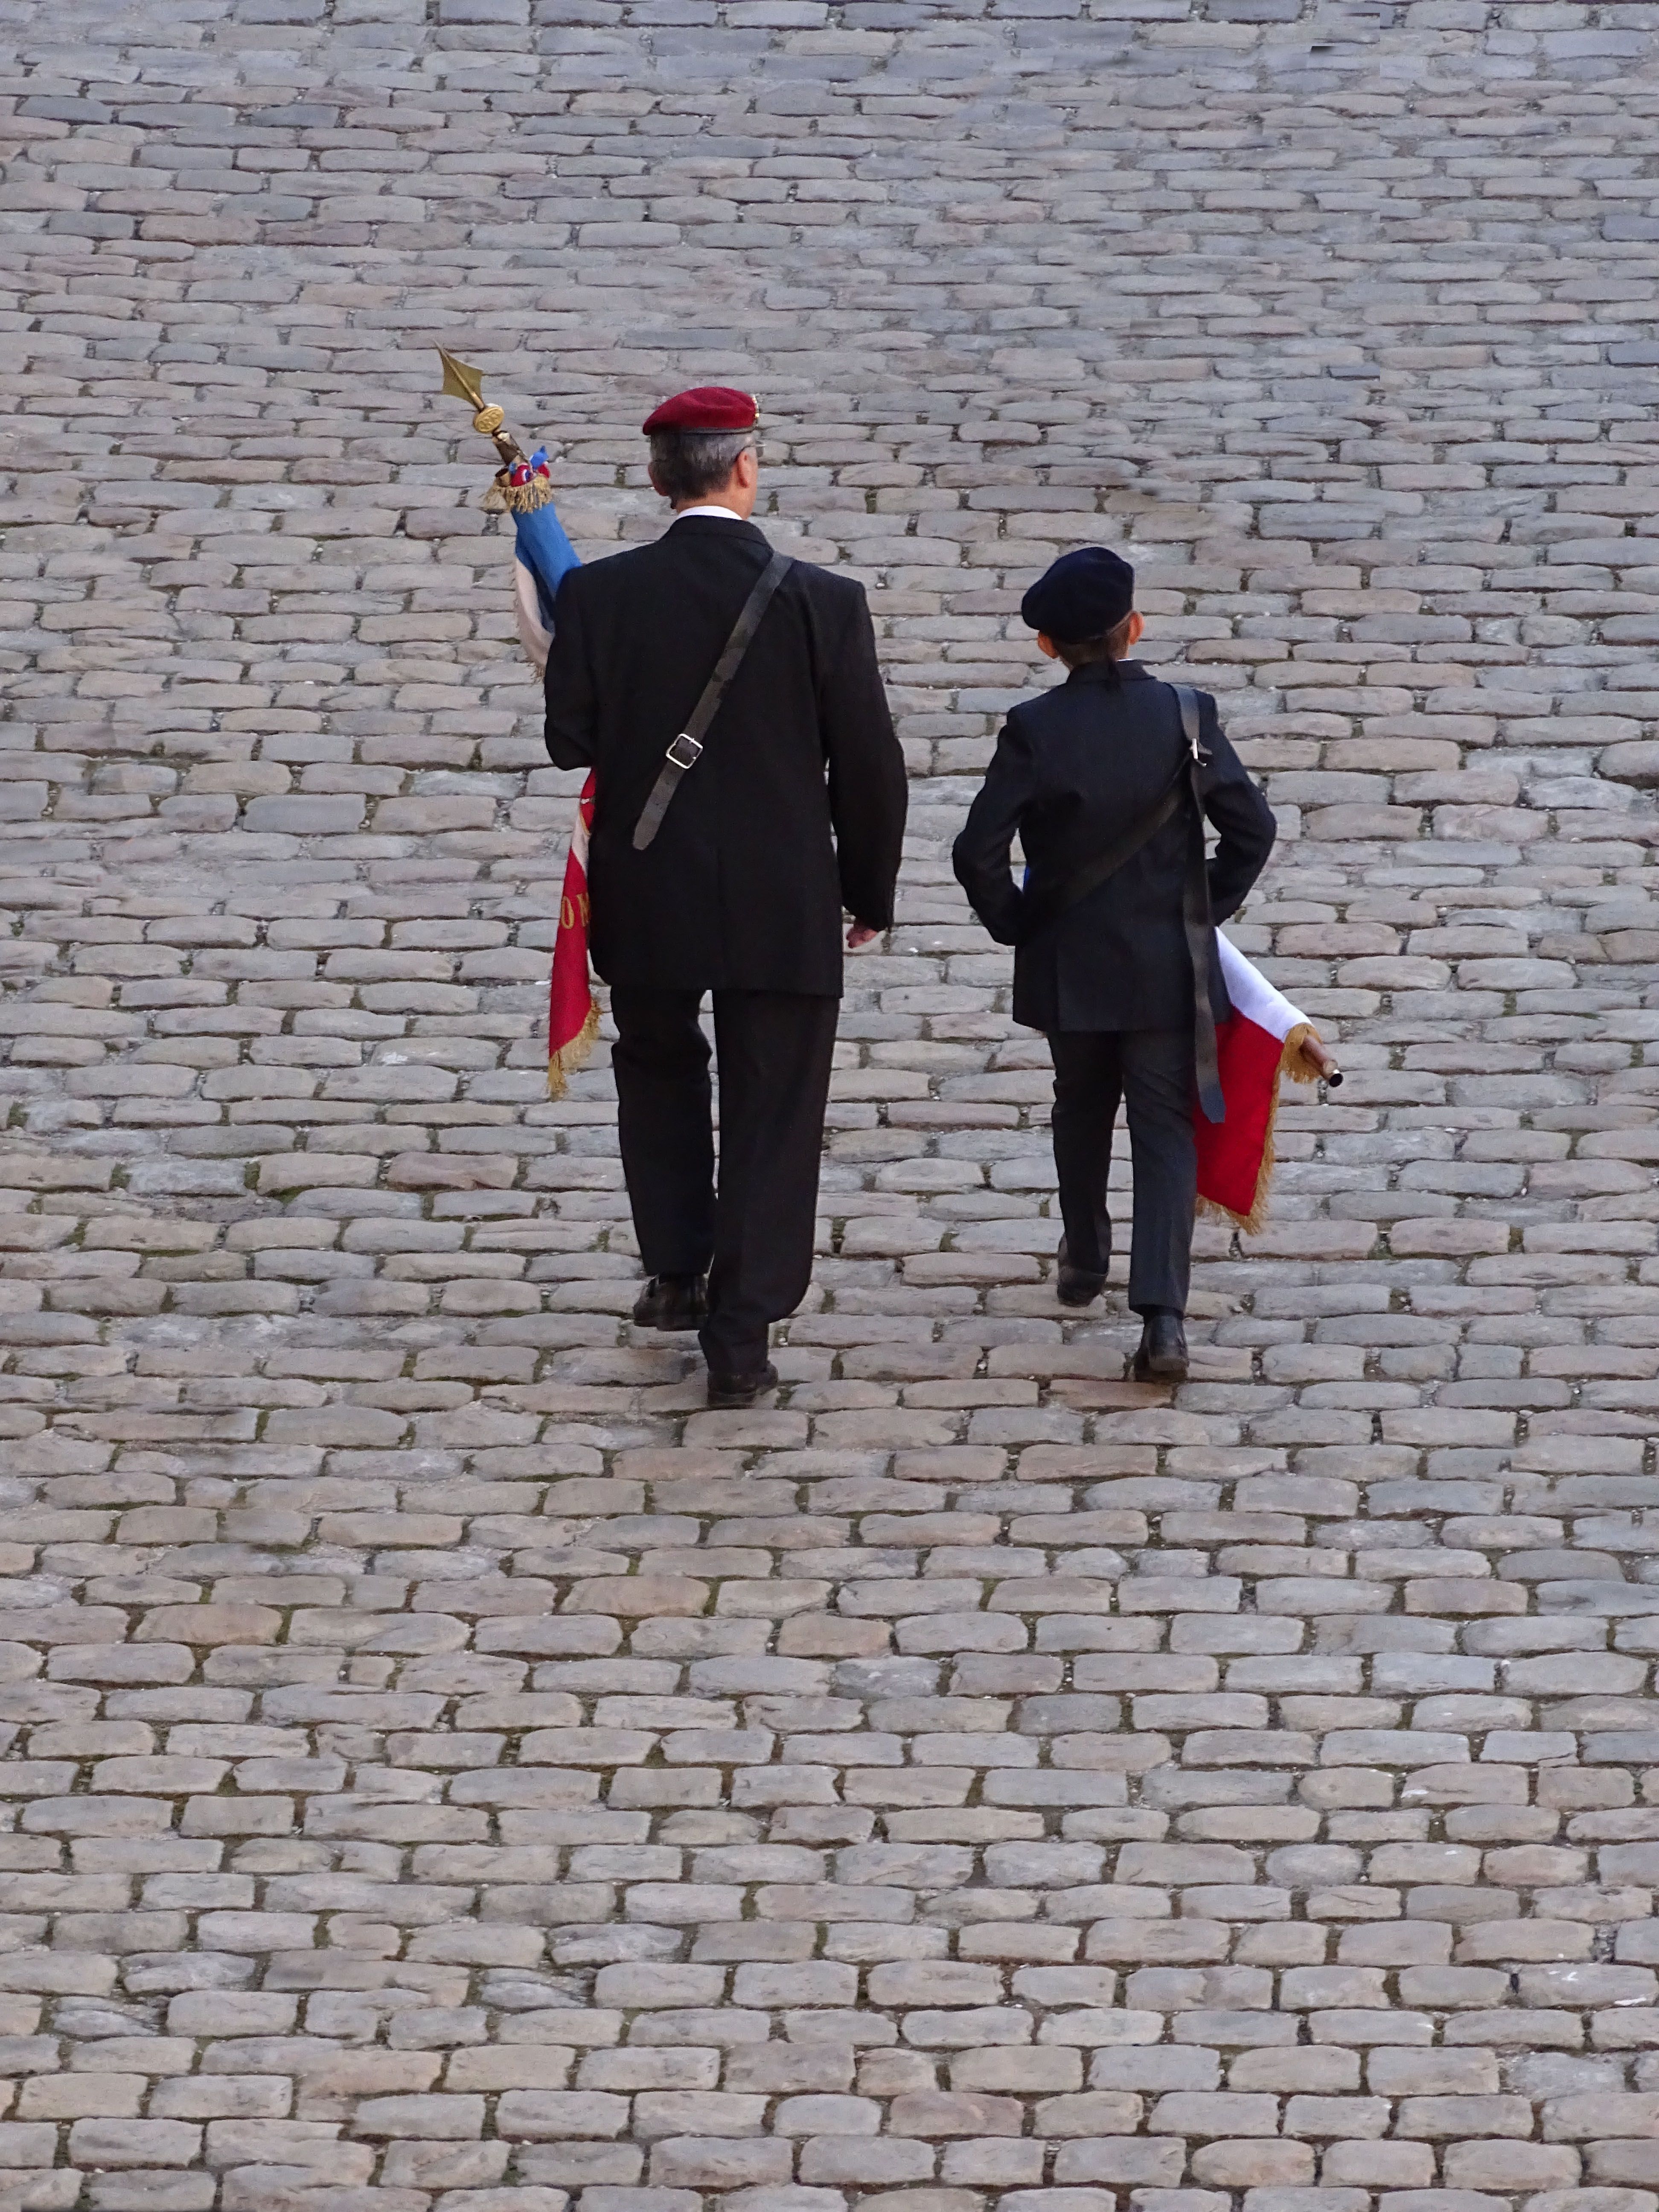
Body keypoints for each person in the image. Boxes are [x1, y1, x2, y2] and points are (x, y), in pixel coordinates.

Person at [543, 386, 908, 1407]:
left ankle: (673, 1267)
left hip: (647, 882)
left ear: (660, 481)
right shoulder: (823, 602)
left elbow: (570, 739)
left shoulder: (602, 598)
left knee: (658, 1070)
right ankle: (739, 1335)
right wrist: (868, 887)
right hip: (782, 896)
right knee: (774, 1104)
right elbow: (871, 767)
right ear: (745, 468)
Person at [952, 547, 1277, 1383]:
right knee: (1165, 1130)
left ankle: (1086, 1254)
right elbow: (1252, 831)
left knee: (1080, 1104)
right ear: (1133, 629)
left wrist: (1015, 924)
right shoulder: (1187, 717)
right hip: (1168, 962)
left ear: (1047, 648)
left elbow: (978, 851)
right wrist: (1206, 905)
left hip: (1071, 963)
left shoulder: (1036, 728)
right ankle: (1163, 1320)